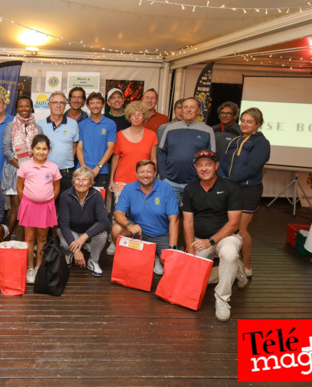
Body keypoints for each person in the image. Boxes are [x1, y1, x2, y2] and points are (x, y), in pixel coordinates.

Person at [182, 150, 249, 322]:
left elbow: (234, 223)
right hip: (200, 239)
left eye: (208, 164)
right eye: (200, 165)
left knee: (228, 254)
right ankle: (235, 270)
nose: (204, 168)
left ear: (216, 166)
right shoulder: (190, 189)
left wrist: (211, 241)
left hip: (226, 237)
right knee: (189, 276)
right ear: (195, 167)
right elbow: (188, 222)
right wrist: (190, 249)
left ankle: (222, 298)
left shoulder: (231, 188)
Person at [218, 108, 270, 278]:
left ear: (258, 124)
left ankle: (246, 267)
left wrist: (228, 180)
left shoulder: (262, 143)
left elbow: (252, 168)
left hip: (248, 190)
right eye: (243, 120)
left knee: (240, 230)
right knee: (226, 226)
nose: (244, 124)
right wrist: (222, 178)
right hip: (230, 188)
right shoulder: (236, 139)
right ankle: (228, 261)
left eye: (249, 121)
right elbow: (224, 162)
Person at [107, 100, 158, 255]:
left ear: (144, 116)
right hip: (122, 180)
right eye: (133, 114)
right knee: (119, 214)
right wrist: (111, 180)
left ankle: (137, 245)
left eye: (140, 114)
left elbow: (153, 159)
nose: (136, 117)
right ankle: (114, 241)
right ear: (129, 116)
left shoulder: (151, 135)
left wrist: (153, 178)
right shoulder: (120, 135)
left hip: (144, 181)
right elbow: (115, 158)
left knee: (140, 213)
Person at [112, 160, 179, 275]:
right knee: (117, 229)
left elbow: (174, 220)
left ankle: (157, 257)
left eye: (149, 172)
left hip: (161, 235)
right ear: (136, 174)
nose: (145, 175)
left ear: (155, 173)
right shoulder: (129, 188)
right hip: (139, 234)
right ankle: (141, 257)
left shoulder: (166, 188)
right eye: (142, 172)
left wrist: (172, 248)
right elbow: (118, 213)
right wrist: (129, 225)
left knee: (172, 266)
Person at [17, 134, 61, 284]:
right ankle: (30, 267)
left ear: (48, 151)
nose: (41, 152)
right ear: (32, 149)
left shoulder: (53, 167)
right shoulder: (25, 166)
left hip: (45, 208)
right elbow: (19, 187)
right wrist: (28, 202)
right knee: (29, 239)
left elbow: (56, 188)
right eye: (38, 148)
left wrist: (47, 202)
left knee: (42, 238)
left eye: (44, 149)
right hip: (29, 206)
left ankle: (39, 267)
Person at [157, 97, 215, 202]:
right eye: (185, 107)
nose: (188, 110)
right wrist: (164, 177)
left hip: (195, 183)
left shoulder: (208, 130)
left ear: (198, 111)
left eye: (192, 107)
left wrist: (202, 179)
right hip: (170, 182)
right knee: (169, 215)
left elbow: (211, 158)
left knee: (190, 215)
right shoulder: (170, 129)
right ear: (181, 110)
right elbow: (161, 153)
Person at [2, 96, 42, 241]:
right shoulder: (10, 126)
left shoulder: (38, 128)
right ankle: (6, 242)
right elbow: (6, 150)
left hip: (34, 174)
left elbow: (41, 151)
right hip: (14, 172)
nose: (24, 109)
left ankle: (29, 243)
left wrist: (30, 169)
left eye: (27, 106)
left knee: (32, 209)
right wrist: (23, 167)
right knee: (16, 208)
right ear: (16, 109)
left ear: (31, 108)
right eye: (20, 106)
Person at [57, 167, 110, 277]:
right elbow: (64, 225)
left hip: (88, 230)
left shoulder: (96, 195)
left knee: (103, 234)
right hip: (71, 229)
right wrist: (76, 251)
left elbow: (105, 222)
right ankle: (69, 253)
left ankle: (93, 260)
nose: (80, 183)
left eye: (84, 180)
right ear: (73, 182)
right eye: (77, 179)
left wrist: (84, 237)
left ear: (91, 184)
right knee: (66, 243)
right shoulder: (65, 196)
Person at [37, 91, 79, 194]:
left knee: (65, 206)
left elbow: (75, 147)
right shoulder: (39, 125)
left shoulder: (73, 124)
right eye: (55, 102)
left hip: (66, 173)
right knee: (46, 204)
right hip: (45, 172)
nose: (58, 105)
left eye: (61, 103)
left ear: (65, 105)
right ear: (49, 105)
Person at [76, 92, 116, 190]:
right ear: (87, 105)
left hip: (101, 172)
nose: (95, 106)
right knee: (81, 203)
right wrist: (84, 166)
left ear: (103, 105)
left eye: (98, 103)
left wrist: (98, 167)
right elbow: (79, 148)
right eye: (92, 103)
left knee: (99, 203)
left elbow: (110, 148)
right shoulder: (82, 125)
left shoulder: (110, 124)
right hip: (82, 171)